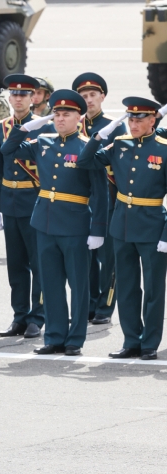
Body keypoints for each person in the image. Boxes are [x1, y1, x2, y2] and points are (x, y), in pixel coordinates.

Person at [1, 90, 108, 356]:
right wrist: (24, 128)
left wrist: (98, 230)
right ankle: (55, 336)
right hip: (45, 224)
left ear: (78, 117)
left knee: (78, 285)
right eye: (57, 114)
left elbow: (100, 193)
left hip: (75, 225)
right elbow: (7, 150)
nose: (60, 119)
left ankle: (74, 339)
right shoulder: (43, 141)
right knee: (50, 283)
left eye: (66, 114)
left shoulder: (87, 148)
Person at [78, 97, 167, 360]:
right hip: (123, 226)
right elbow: (86, 161)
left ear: (153, 121)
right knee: (127, 287)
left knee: (153, 289)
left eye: (140, 119)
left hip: (152, 227)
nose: (134, 123)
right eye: (131, 118)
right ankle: (131, 341)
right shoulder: (119, 145)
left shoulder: (163, 149)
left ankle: (149, 343)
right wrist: (97, 137)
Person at [0, 74, 45, 339]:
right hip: (10, 203)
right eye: (14, 94)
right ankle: (20, 316)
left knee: (39, 263)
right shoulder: (0, 127)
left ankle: (38, 316)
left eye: (24, 94)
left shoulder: (42, 126)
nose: (18, 98)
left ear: (33, 98)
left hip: (34, 200)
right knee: (16, 264)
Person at [73, 72, 126, 325]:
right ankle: (91, 303)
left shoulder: (115, 126)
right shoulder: (76, 124)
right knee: (87, 258)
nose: (89, 100)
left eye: (93, 95)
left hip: (110, 199)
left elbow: (121, 163)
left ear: (102, 96)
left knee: (108, 257)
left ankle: (105, 305)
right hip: (83, 200)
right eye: (84, 96)